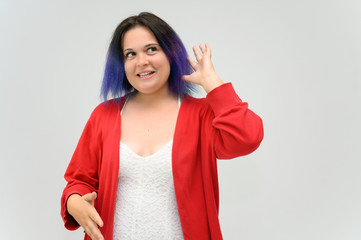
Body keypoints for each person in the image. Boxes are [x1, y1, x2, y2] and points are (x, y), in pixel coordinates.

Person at [61, 12, 264, 240]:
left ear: (171, 53)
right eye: (130, 54)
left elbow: (247, 138)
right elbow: (79, 181)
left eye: (151, 49)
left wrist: (213, 84)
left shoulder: (202, 114)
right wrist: (74, 201)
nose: (141, 61)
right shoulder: (104, 115)